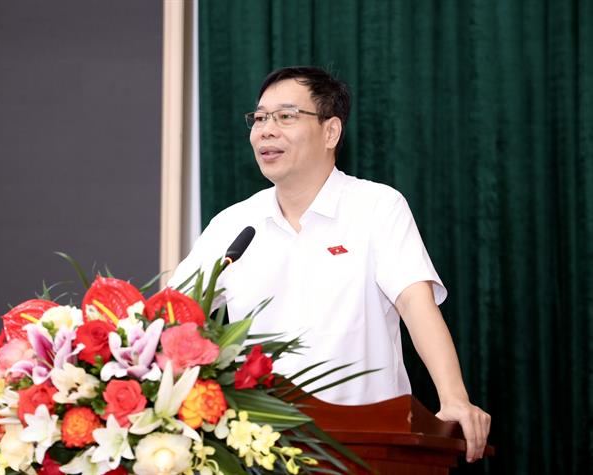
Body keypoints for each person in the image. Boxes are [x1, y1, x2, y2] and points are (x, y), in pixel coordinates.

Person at [168, 66, 491, 462]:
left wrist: (454, 398)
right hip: (260, 451)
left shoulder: (376, 207)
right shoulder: (232, 225)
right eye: (260, 118)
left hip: (370, 446)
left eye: (286, 116)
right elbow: (172, 315)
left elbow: (415, 303)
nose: (266, 130)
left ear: (331, 132)